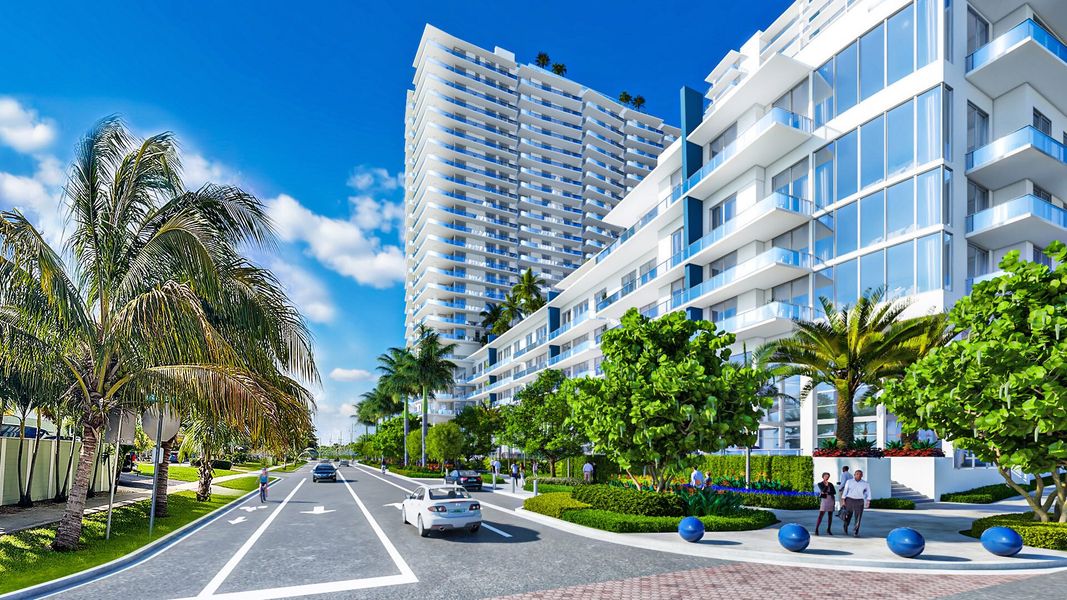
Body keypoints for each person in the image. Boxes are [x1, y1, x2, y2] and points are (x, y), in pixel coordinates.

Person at [840, 469, 871, 537]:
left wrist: (868, 501)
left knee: (858, 517)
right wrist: (843, 500)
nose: (858, 475)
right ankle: (845, 526)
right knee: (848, 516)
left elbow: (868, 492)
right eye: (857, 474)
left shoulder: (865, 483)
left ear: (862, 475)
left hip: (859, 501)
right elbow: (845, 490)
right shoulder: (849, 481)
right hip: (849, 500)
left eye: (860, 474)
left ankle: (855, 532)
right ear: (854, 475)